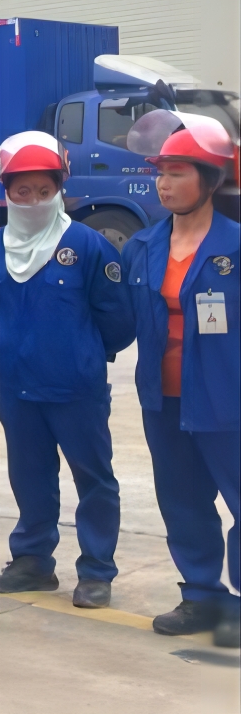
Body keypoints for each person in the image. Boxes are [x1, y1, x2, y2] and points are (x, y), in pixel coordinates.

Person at [0, 133, 133, 607]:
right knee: (29, 476)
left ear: (60, 189)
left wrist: (81, 354)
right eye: (23, 191)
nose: (34, 201)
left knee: (93, 478)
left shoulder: (87, 246)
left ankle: (96, 571)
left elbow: (118, 320)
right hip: (16, 388)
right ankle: (33, 562)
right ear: (6, 191)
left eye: (44, 191)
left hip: (76, 389)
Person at [119, 110, 240, 648]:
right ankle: (202, 596)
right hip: (164, 399)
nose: (163, 184)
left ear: (210, 180)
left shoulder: (235, 247)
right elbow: (118, 318)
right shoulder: (142, 247)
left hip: (228, 398)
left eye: (177, 172)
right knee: (182, 500)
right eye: (160, 173)